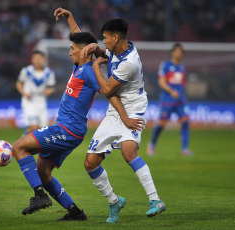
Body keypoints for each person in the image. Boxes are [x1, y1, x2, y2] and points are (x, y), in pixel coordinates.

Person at [54, 8, 166, 223]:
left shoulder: (128, 63)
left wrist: (96, 63)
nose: (102, 41)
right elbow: (83, 44)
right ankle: (114, 201)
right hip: (115, 111)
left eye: (105, 38)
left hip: (131, 109)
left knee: (128, 151)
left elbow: (106, 90)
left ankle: (155, 199)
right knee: (90, 163)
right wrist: (71, 19)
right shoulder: (117, 49)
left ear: (116, 37)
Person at [12, 29, 132, 220]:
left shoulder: (90, 71)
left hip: (68, 130)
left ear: (83, 51)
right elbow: (80, 35)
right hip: (68, 129)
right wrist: (68, 17)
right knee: (43, 172)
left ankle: (40, 196)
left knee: (18, 147)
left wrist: (124, 117)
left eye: (72, 48)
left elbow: (109, 92)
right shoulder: (79, 67)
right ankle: (75, 213)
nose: (69, 52)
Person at [147, 43, 192, 156]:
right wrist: (172, 91)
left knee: (185, 121)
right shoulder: (165, 65)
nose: (179, 53)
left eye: (181, 51)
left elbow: (182, 83)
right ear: (172, 53)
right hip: (167, 99)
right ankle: (152, 144)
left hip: (180, 100)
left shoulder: (182, 67)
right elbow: (161, 82)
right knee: (162, 124)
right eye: (177, 51)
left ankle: (185, 149)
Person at [16, 50, 55, 134]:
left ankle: (23, 142)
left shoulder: (49, 73)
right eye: (36, 58)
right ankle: (20, 146)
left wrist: (49, 91)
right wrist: (24, 93)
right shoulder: (26, 71)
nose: (37, 60)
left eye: (39, 58)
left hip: (41, 100)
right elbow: (18, 83)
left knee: (42, 129)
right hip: (29, 100)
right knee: (33, 127)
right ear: (32, 60)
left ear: (44, 59)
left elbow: (52, 87)